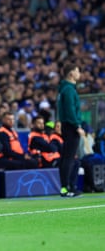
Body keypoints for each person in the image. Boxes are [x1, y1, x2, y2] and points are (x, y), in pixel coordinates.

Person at [57, 64, 85, 197]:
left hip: (67, 126)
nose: (79, 73)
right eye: (77, 71)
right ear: (71, 74)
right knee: (68, 157)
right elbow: (70, 110)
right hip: (70, 126)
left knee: (67, 157)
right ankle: (66, 188)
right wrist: (77, 125)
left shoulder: (66, 89)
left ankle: (66, 187)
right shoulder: (68, 90)